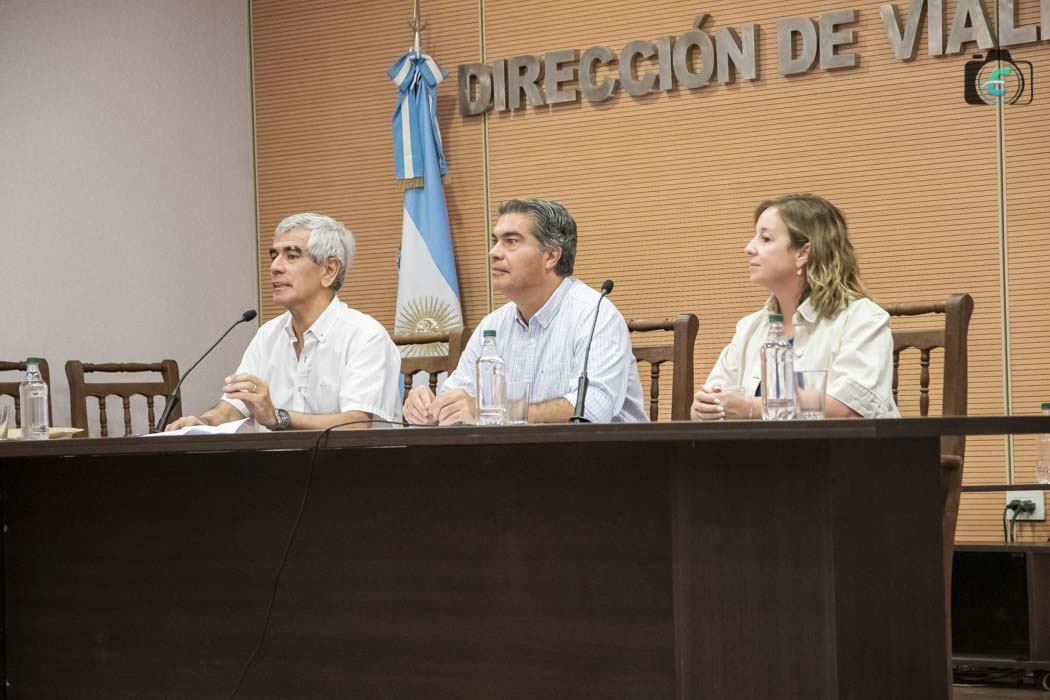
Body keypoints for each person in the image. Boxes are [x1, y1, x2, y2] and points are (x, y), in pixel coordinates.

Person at [403, 198, 648, 426]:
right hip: (517, 456)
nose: (493, 252)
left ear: (551, 256)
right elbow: (456, 402)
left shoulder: (595, 316)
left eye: (511, 242)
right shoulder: (493, 325)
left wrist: (490, 411)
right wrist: (430, 408)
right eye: (495, 241)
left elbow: (592, 409)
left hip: (604, 456)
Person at [166, 213, 401, 431]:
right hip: (276, 462)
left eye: (291, 256)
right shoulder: (267, 335)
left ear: (329, 270)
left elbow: (356, 424)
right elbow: (231, 409)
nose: (275, 267)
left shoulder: (365, 336)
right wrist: (202, 423)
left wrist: (278, 417)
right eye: (274, 256)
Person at [692, 194, 900, 421]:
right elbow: (710, 399)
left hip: (841, 444)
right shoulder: (749, 327)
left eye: (765, 239)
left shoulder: (863, 318)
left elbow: (849, 406)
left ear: (803, 253)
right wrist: (705, 407)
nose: (749, 248)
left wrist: (751, 407)